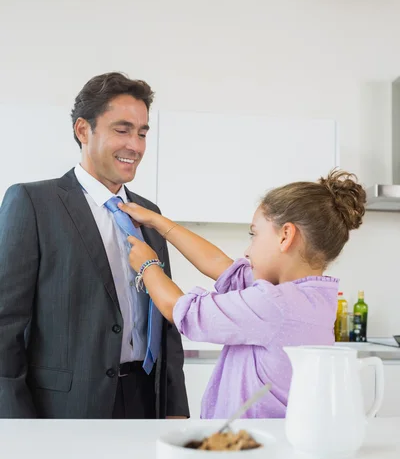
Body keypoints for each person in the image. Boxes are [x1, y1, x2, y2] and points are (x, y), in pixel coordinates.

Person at [0, 72, 189, 419]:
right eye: (122, 130)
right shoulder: (32, 202)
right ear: (83, 130)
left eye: (142, 132)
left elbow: (166, 317)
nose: (136, 145)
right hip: (64, 408)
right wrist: (15, 423)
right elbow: (4, 326)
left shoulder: (151, 215)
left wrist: (175, 406)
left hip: (146, 400)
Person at [118, 169, 367, 418]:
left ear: (286, 236)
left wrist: (148, 266)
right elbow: (220, 264)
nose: (248, 251)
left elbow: (180, 310)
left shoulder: (274, 304)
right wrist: (159, 223)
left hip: (247, 448)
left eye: (254, 234)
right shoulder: (308, 299)